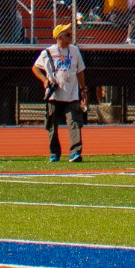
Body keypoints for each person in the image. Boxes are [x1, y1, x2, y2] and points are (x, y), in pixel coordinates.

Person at [33, 21, 89, 163]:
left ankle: (75, 152)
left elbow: (80, 72)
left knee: (74, 123)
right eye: (67, 34)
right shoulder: (47, 52)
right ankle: (54, 153)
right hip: (54, 95)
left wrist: (83, 89)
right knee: (52, 125)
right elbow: (35, 68)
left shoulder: (75, 51)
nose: (70, 36)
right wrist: (45, 80)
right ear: (59, 37)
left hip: (71, 95)